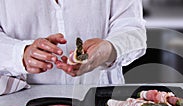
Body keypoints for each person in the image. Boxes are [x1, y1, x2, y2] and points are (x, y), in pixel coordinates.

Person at [0, 0, 146, 94]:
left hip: (101, 100)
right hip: (19, 104)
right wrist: (19, 54)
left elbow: (133, 30)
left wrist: (108, 50)